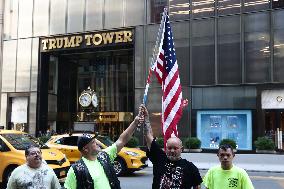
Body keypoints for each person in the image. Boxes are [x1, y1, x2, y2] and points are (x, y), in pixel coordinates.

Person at [64, 109, 144, 189]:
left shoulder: (104, 156)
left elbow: (122, 140)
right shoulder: (75, 170)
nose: (97, 143)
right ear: (86, 149)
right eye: (93, 142)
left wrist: (135, 122)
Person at [140, 105, 202, 189]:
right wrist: (146, 118)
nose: (172, 151)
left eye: (175, 148)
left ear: (182, 149)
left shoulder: (190, 167)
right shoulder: (159, 159)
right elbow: (148, 136)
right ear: (166, 148)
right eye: (169, 148)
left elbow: (197, 186)